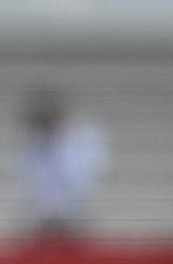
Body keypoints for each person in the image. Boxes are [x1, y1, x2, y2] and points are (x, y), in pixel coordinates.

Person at [16, 87, 110, 244]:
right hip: (46, 214)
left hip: (71, 211)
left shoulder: (79, 136)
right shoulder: (34, 142)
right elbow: (28, 176)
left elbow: (84, 172)